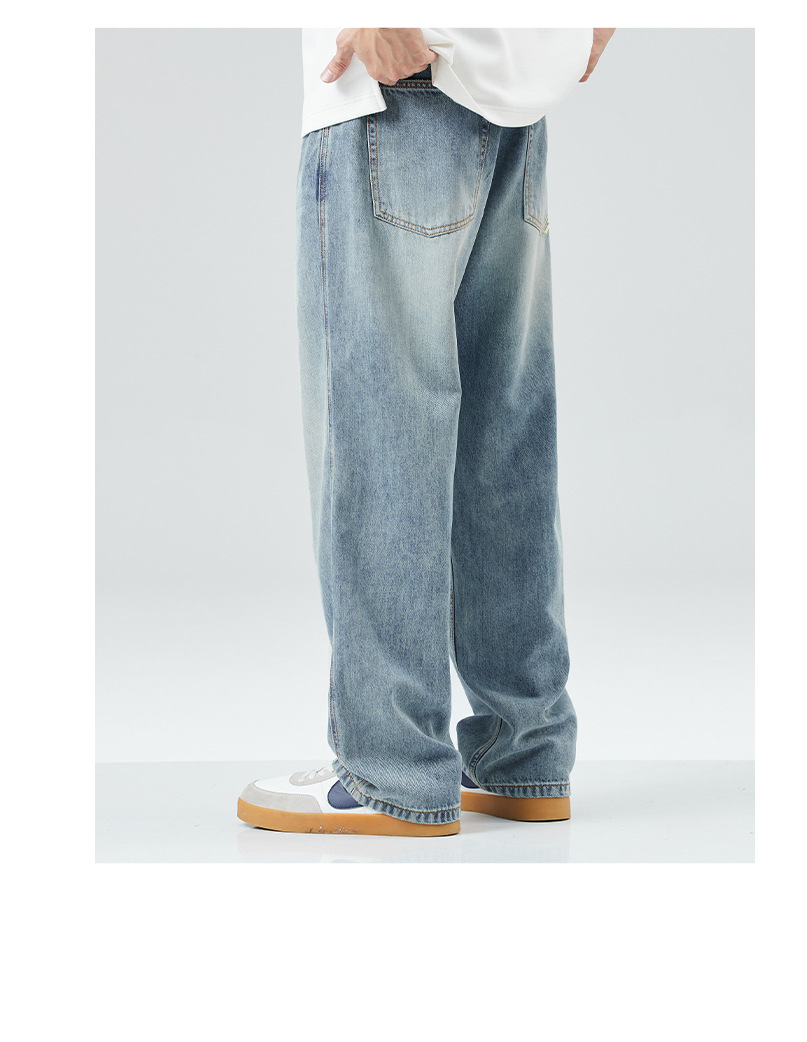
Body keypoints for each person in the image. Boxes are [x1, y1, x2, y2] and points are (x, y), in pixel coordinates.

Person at [237, 27, 616, 837]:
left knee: (382, 438)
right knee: (503, 441)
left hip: (396, 90)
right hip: (516, 96)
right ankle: (524, 753)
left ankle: (391, 770)